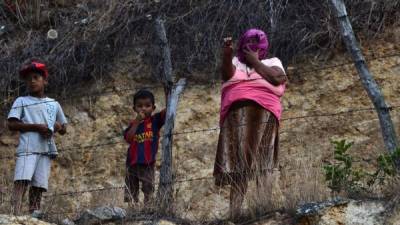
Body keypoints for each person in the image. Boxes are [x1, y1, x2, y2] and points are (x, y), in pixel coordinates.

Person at [213, 29, 287, 219]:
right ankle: (235, 214)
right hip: (237, 117)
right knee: (239, 166)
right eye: (248, 45)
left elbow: (277, 78)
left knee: (264, 161)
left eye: (256, 45)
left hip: (265, 114)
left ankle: (262, 209)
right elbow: (227, 75)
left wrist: (255, 61)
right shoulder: (236, 62)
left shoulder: (272, 61)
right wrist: (227, 54)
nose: (252, 48)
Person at [7, 59, 67, 216]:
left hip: (46, 149)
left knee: (39, 184)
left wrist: (57, 127)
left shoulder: (53, 103)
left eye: (36, 78)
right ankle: (15, 213)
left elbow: (63, 127)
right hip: (28, 148)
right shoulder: (21, 101)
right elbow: (12, 124)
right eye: (28, 79)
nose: (32, 81)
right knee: (22, 180)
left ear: (45, 81)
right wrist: (36, 127)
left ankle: (34, 214)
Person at [123, 89, 166, 206]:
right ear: (134, 108)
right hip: (132, 163)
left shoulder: (155, 121)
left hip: (148, 163)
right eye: (140, 106)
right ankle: (132, 210)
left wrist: (169, 93)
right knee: (131, 191)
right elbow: (128, 138)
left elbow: (167, 112)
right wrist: (137, 122)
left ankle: (149, 208)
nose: (143, 108)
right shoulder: (133, 124)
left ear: (153, 108)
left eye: (147, 105)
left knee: (148, 189)